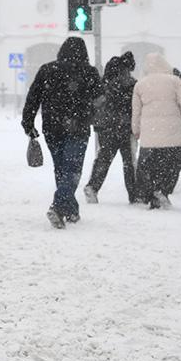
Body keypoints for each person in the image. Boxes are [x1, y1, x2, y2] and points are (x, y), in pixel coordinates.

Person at [22, 37, 103, 228]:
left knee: (61, 169)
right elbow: (99, 100)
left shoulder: (47, 70)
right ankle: (58, 207)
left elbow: (33, 97)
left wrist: (28, 122)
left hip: (52, 127)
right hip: (78, 127)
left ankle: (71, 210)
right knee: (72, 170)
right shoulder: (89, 72)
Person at [131, 53, 181, 210]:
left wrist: (136, 129)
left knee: (151, 167)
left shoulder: (140, 84)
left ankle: (153, 193)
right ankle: (164, 190)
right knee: (173, 165)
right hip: (173, 133)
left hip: (150, 136)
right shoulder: (175, 81)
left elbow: (136, 111)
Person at [84, 51, 137, 204]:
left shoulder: (103, 83)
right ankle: (134, 194)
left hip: (105, 125)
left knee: (104, 158)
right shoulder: (130, 83)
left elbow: (96, 103)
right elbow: (133, 105)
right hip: (125, 126)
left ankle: (93, 186)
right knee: (129, 162)